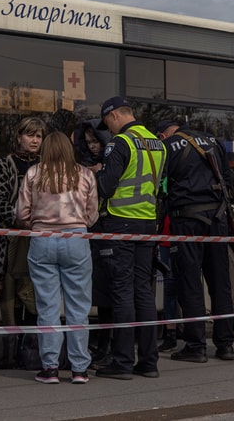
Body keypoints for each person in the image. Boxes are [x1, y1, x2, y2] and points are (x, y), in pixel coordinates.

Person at [15, 131, 100, 384]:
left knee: (47, 306)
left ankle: (50, 367)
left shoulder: (33, 173)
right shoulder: (85, 174)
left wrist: (35, 222)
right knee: (79, 306)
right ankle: (79, 369)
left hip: (42, 240)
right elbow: (92, 213)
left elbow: (21, 212)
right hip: (76, 239)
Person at [92, 97, 166, 380]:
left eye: (107, 123)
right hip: (147, 224)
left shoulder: (120, 143)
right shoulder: (157, 143)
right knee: (143, 292)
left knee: (122, 293)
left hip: (120, 224)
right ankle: (148, 362)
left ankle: (122, 362)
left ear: (113, 116)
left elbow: (106, 187)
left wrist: (96, 174)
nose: (107, 130)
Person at [163, 123, 234, 363]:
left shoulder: (169, 146)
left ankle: (196, 345)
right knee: (220, 281)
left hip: (186, 220)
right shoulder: (214, 142)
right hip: (217, 218)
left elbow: (161, 185)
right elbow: (228, 179)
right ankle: (225, 344)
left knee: (190, 281)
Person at [0, 117, 47, 325]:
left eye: (39, 136)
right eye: (30, 135)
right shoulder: (6, 164)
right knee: (11, 297)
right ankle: (13, 348)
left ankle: (31, 350)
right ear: (19, 137)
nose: (35, 140)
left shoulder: (46, 166)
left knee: (35, 296)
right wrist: (21, 220)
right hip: (11, 241)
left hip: (39, 239)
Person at [73, 118, 113, 366]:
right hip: (93, 232)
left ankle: (107, 345)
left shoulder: (112, 161)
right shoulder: (83, 166)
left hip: (110, 229)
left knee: (109, 292)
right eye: (88, 142)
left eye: (96, 141)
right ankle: (101, 344)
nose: (92, 147)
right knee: (97, 292)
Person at [154, 119, 182, 353]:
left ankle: (189, 331)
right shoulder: (159, 163)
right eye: (175, 136)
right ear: (163, 138)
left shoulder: (184, 162)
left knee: (188, 283)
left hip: (184, 233)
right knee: (170, 286)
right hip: (165, 235)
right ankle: (170, 333)